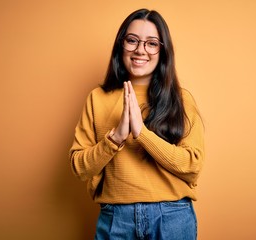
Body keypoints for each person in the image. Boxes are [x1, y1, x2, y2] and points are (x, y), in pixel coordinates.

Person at [69, 8, 204, 240]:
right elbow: (79, 168)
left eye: (152, 43)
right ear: (121, 45)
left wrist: (141, 133)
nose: (140, 50)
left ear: (163, 51)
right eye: (132, 40)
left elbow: (192, 166)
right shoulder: (97, 98)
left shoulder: (181, 99)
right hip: (116, 219)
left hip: (172, 218)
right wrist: (115, 138)